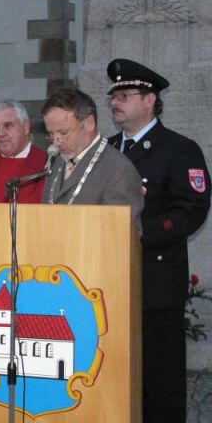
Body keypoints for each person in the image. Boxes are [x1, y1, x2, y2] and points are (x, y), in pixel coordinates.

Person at [106, 58, 211, 423]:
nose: (115, 102)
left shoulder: (179, 149)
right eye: (113, 96)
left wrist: (135, 233)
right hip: (107, 283)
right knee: (113, 376)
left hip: (156, 284)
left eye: (124, 96)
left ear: (149, 100)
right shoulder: (104, 150)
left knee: (159, 383)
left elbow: (191, 210)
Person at [41, 87, 144, 234]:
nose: (56, 142)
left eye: (63, 132)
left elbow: (122, 235)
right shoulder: (56, 160)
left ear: (89, 123)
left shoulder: (118, 169)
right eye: (51, 134)